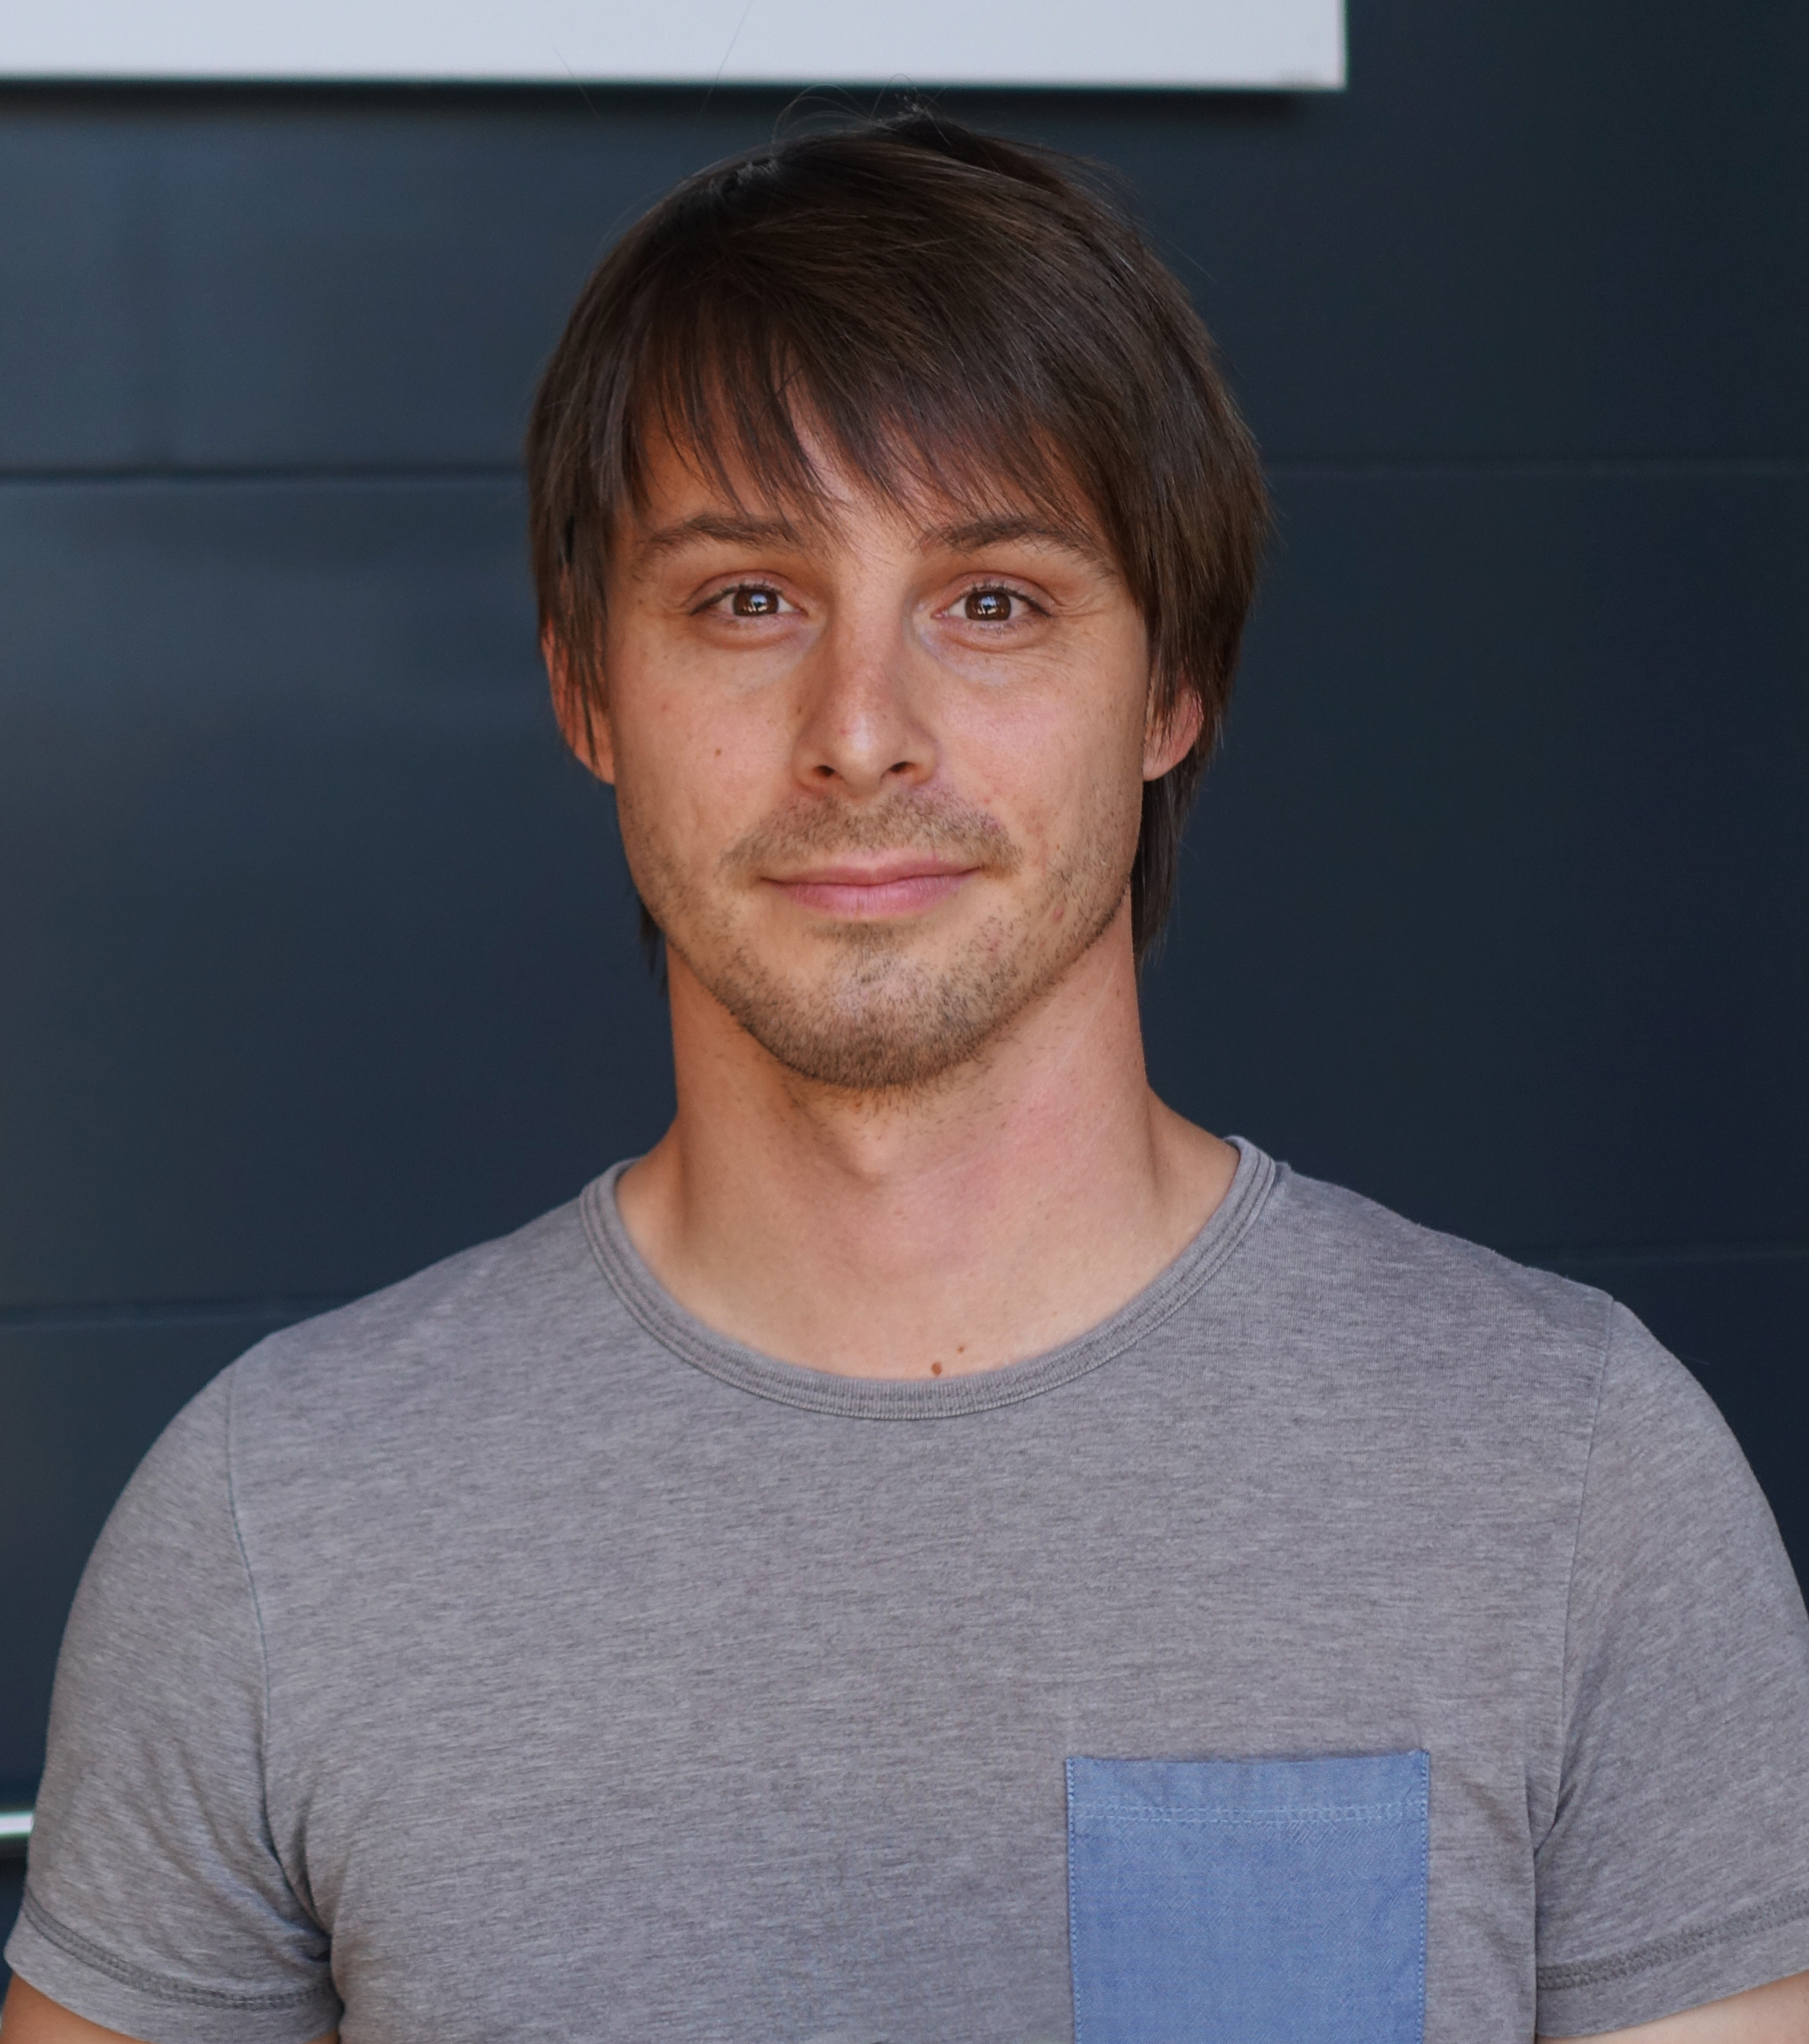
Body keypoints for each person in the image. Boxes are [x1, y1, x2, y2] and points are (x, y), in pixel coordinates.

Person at [4, 111, 1808, 2044]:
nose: (860, 732)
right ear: (588, 691)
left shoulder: (1571, 1475)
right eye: (747, 599)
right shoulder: (275, 1525)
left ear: (1170, 691)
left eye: (993, 600)